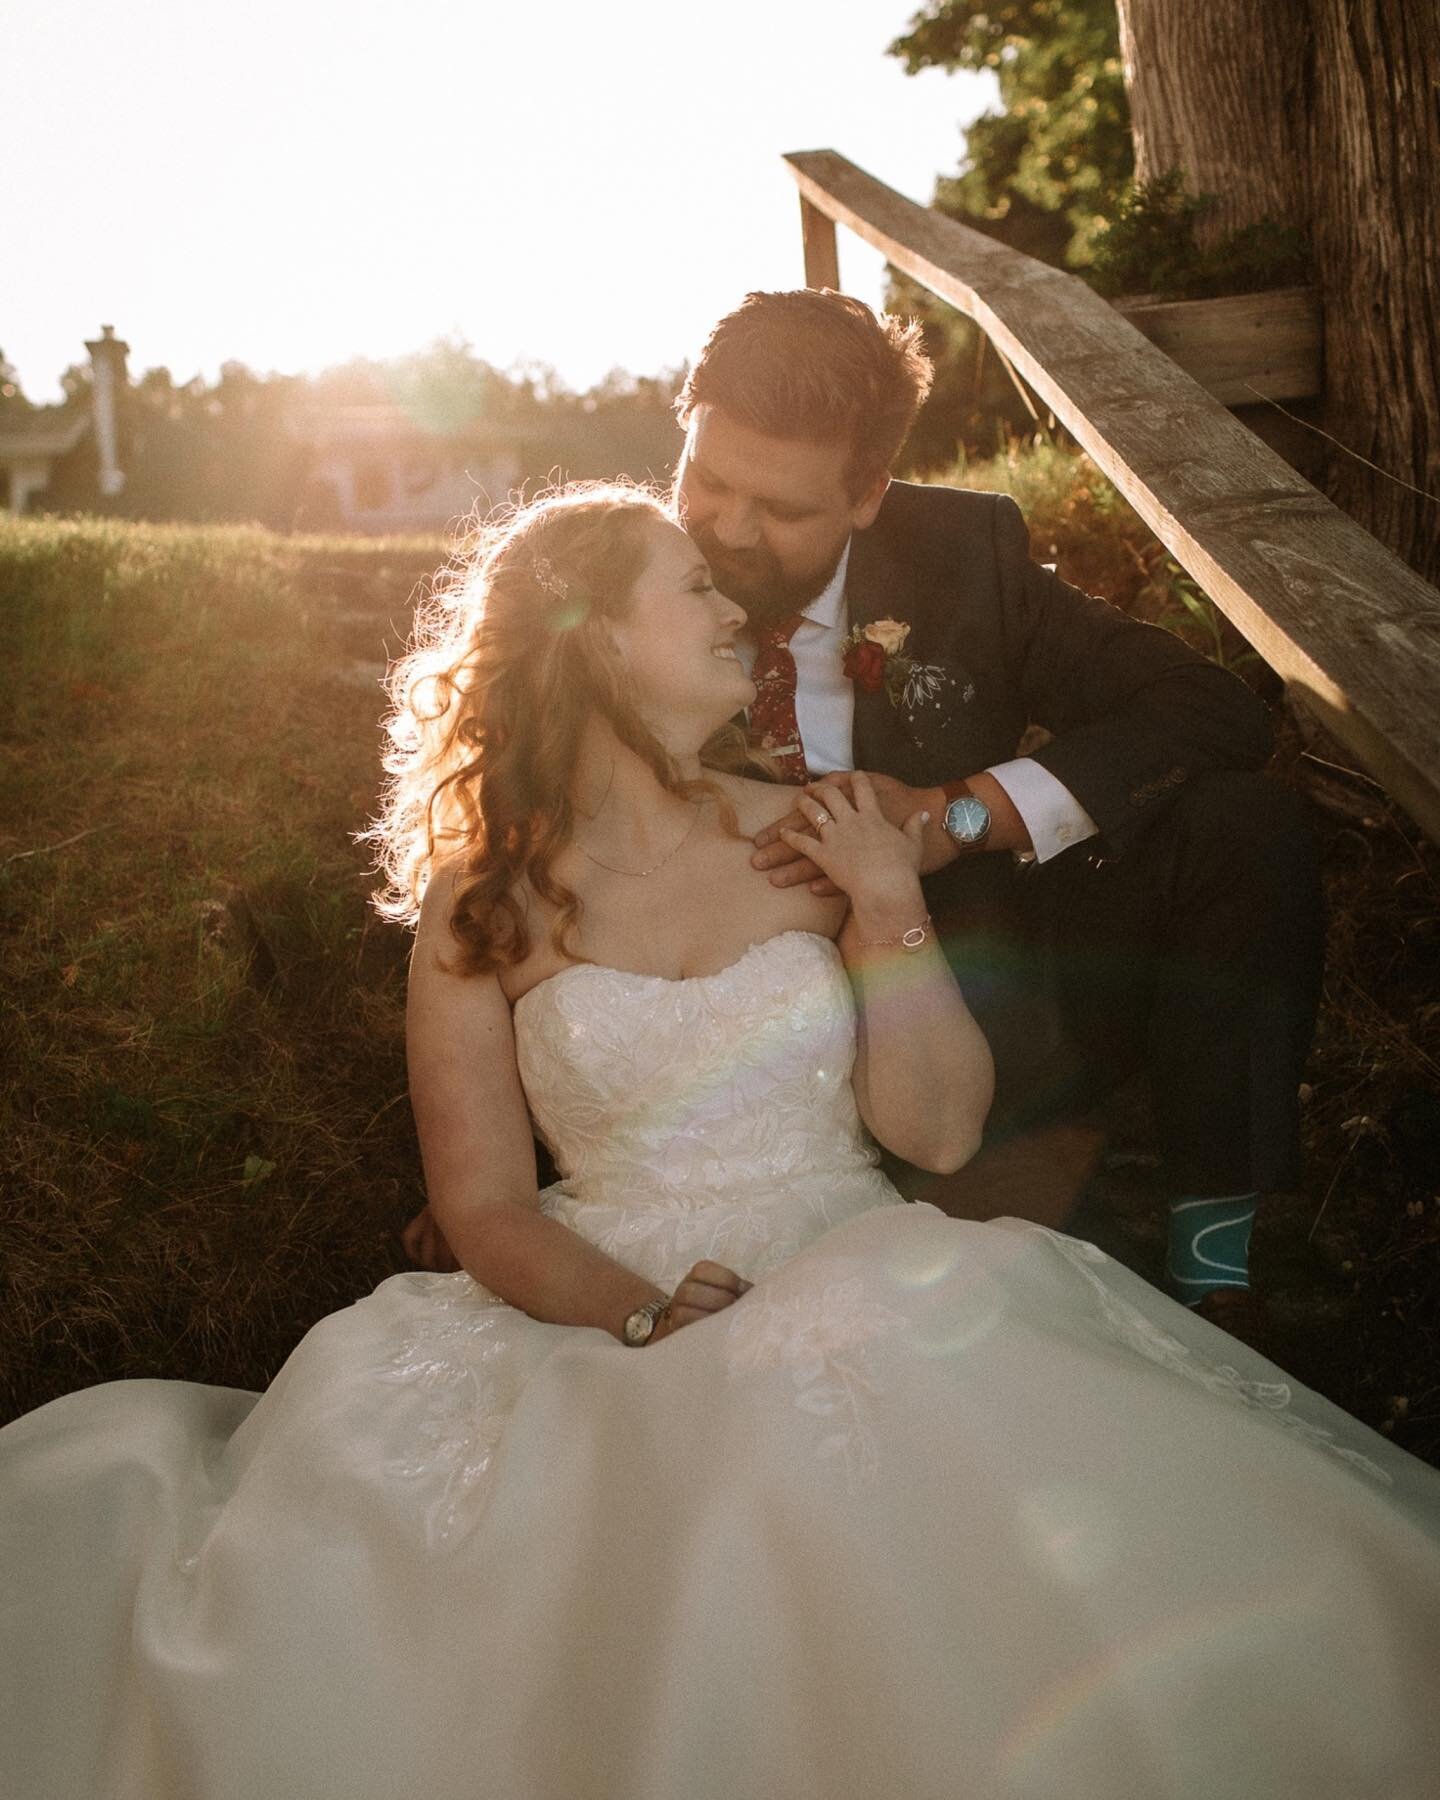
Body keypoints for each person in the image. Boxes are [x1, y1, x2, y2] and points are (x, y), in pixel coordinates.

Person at [2, 481, 1438, 1800]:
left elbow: (934, 1131)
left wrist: (888, 898)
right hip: (594, 1293)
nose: (733, 611)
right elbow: (489, 1206)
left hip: (853, 1252)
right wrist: (635, 1315)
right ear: (591, 637)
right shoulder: (479, 906)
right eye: (690, 586)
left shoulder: (819, 831)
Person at [406, 292, 1323, 1328]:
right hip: (754, 1091)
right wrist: (485, 1201)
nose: (727, 530)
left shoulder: (964, 557)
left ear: (866, 494)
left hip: (974, 1000)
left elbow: (1210, 711)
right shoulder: (632, 582)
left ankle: (1217, 1256)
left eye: (783, 509)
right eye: (707, 479)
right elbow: (507, 848)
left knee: (1247, 825)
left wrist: (951, 816)